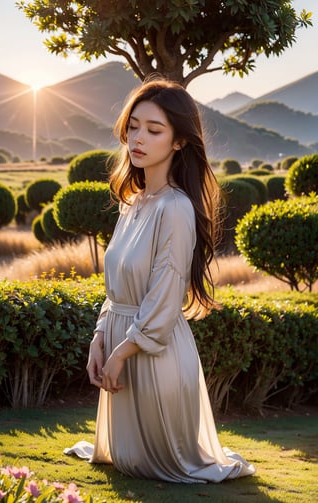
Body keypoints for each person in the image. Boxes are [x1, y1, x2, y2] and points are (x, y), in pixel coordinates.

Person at [65, 78, 255, 483]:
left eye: (154, 130)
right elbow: (114, 287)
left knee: (153, 468)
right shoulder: (132, 203)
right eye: (133, 126)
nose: (137, 138)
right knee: (123, 462)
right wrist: (100, 339)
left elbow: (166, 298)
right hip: (121, 343)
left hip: (154, 357)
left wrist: (121, 353)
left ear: (179, 142)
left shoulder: (176, 208)